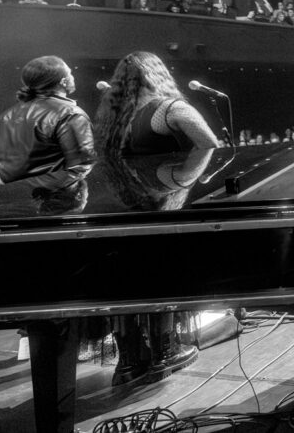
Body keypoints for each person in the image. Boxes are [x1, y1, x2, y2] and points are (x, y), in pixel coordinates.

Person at [94, 51, 220, 387]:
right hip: (161, 205)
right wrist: (182, 179)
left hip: (123, 209)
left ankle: (128, 362)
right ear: (157, 74)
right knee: (163, 275)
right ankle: (165, 353)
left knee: (126, 283)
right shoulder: (169, 108)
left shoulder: (110, 112)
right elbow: (208, 143)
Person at [0, 56, 96, 197]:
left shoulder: (2, 118)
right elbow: (80, 166)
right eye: (70, 73)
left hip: (12, 200)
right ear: (64, 81)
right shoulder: (70, 114)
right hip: (52, 203)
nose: (72, 76)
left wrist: (19, 193)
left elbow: (3, 170)